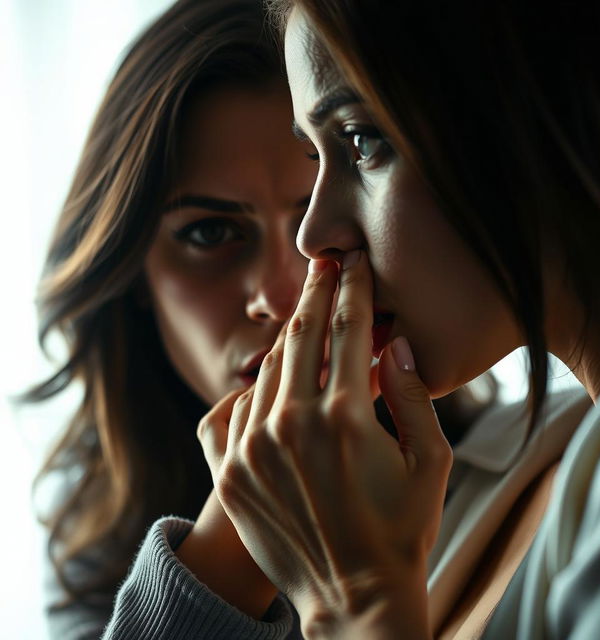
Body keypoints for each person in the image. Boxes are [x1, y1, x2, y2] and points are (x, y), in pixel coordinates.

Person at [26, 1, 503, 638]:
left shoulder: (543, 473)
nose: (280, 295)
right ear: (132, 272)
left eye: (320, 207)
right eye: (211, 232)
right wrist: (217, 561)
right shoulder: (93, 534)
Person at [183, 1, 600, 639]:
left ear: (540, 108)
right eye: (319, 158)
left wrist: (355, 604)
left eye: (362, 141)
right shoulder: (519, 456)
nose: (313, 236)